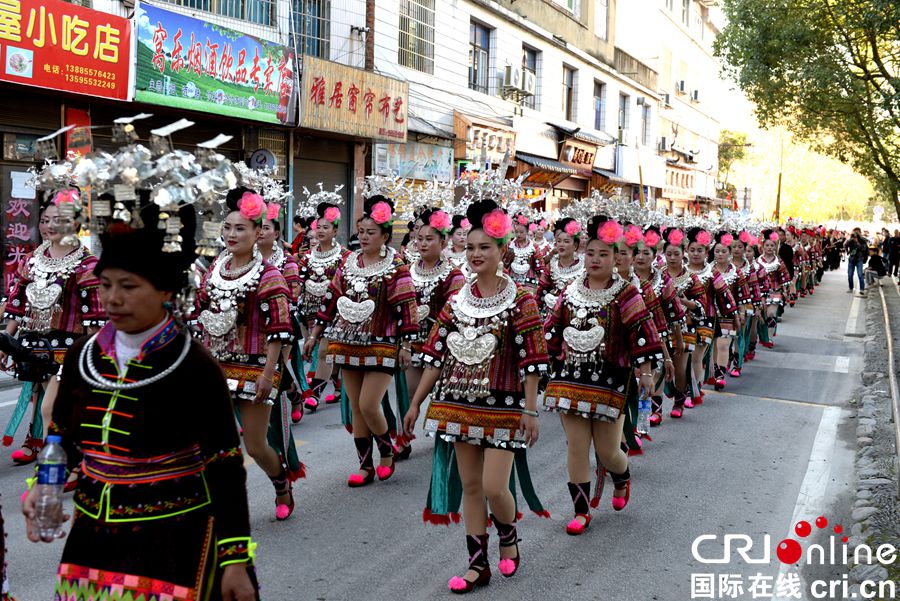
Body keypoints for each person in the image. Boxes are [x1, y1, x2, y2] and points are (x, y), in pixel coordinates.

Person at [23, 206, 259, 601]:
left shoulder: (194, 365)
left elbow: (225, 465)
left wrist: (234, 559)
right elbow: (61, 436)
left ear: (165, 290)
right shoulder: (84, 355)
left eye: (128, 286)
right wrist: (41, 487)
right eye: (106, 285)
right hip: (92, 539)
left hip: (173, 537)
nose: (113, 299)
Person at [404, 198, 547, 594]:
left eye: (485, 247)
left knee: (494, 487)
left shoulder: (522, 299)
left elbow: (532, 359)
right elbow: (435, 355)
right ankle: (477, 564)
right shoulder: (456, 300)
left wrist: (531, 409)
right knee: (469, 487)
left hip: (505, 406)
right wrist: (416, 402)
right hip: (456, 403)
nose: (477, 254)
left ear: (503, 251)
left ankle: (508, 531)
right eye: (470, 247)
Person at [196, 187, 299, 521]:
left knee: (255, 445)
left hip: (255, 369)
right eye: (227, 227)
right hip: (215, 366)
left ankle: (281, 485)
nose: (231, 234)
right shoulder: (215, 269)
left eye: (240, 228)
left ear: (258, 233)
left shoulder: (269, 274)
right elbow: (200, 311)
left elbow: (281, 330)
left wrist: (270, 373)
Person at [304, 196, 419, 487]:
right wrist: (316, 335)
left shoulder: (397, 267)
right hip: (346, 342)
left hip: (382, 343)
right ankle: (365, 466)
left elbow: (407, 307)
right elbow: (330, 300)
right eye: (362, 231)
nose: (365, 237)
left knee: (369, 404)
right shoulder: (347, 263)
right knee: (356, 406)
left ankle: (386, 452)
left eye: (371, 232)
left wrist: (406, 345)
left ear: (385, 236)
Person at [1, 192, 104, 464]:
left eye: (57, 220)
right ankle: (42, 447)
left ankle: (63, 461)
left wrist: (96, 357)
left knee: (55, 405)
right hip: (34, 342)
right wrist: (6, 340)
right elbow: (17, 303)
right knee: (40, 397)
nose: (48, 226)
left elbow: (96, 316)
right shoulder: (34, 259)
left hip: (69, 345)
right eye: (45, 220)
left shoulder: (87, 263)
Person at [295, 202, 351, 416]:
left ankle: (314, 395)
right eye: (318, 227)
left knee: (325, 352)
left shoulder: (345, 256)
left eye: (326, 227)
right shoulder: (307, 257)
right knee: (318, 350)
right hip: (310, 310)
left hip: (334, 312)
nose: (320, 231)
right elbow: (299, 281)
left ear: (335, 230)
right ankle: (335, 382)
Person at [535, 217, 585, 315]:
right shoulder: (551, 266)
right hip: (551, 315)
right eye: (559, 241)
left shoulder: (583, 267)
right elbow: (540, 291)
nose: (561, 245)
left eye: (566, 242)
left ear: (575, 246)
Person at [844, 228, 868, 294]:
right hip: (852, 259)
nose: (856, 234)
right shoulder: (851, 240)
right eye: (855, 232)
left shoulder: (863, 240)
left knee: (860, 274)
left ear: (860, 233)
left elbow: (863, 249)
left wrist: (857, 242)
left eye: (857, 232)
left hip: (859, 259)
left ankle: (862, 289)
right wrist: (848, 249)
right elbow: (845, 245)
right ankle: (851, 288)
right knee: (850, 275)